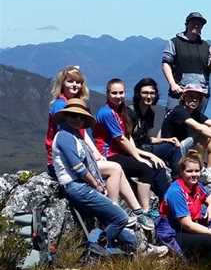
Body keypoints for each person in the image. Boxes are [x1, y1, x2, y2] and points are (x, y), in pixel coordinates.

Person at [46, 66, 151, 229]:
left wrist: (96, 154)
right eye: (70, 81)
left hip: (78, 158)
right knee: (115, 168)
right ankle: (113, 212)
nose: (75, 85)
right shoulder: (61, 106)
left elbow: (82, 134)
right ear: (62, 84)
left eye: (78, 82)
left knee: (117, 168)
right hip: (64, 164)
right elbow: (68, 141)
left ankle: (137, 211)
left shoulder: (70, 103)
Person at [51, 99, 138, 251]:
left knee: (126, 235)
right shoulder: (65, 136)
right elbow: (79, 168)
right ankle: (98, 246)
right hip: (77, 186)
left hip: (80, 186)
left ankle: (131, 246)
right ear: (66, 116)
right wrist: (96, 184)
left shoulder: (74, 136)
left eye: (81, 117)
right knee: (121, 217)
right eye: (73, 115)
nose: (77, 119)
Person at [93, 79, 169, 219]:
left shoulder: (119, 111)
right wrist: (139, 158)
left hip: (118, 152)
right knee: (145, 168)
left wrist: (146, 155)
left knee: (151, 165)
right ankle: (145, 210)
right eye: (114, 93)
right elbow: (120, 139)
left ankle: (158, 204)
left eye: (121, 93)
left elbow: (128, 137)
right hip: (107, 155)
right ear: (108, 94)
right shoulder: (107, 113)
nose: (118, 96)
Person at [160, 84, 211, 182]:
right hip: (173, 149)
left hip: (182, 146)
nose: (194, 100)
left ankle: (210, 171)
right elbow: (200, 128)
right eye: (191, 97)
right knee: (204, 132)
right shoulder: (179, 111)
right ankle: (200, 168)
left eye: (197, 98)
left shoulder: (194, 113)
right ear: (184, 97)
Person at [130, 78, 193, 175]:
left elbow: (146, 138)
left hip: (144, 147)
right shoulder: (131, 112)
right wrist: (149, 155)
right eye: (145, 93)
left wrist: (166, 140)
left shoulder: (150, 113)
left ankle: (176, 173)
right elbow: (126, 143)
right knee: (172, 149)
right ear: (138, 94)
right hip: (133, 152)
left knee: (171, 145)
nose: (149, 96)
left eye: (152, 93)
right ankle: (178, 177)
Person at [161, 11, 211, 112]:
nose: (197, 25)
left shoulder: (206, 46)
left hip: (201, 93)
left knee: (196, 123)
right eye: (193, 22)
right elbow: (166, 63)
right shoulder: (174, 42)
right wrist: (173, 84)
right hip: (179, 91)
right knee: (173, 119)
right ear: (187, 24)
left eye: (200, 24)